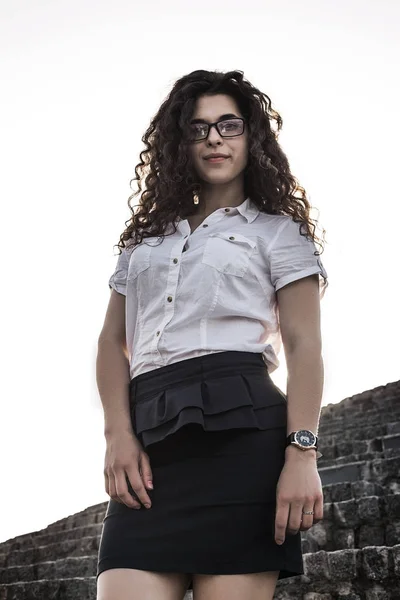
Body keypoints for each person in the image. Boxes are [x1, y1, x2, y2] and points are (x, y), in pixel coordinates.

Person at [96, 69, 328, 600]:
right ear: (181, 143)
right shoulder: (144, 242)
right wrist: (117, 434)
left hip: (244, 444)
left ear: (253, 137)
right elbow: (112, 343)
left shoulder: (279, 232)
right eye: (198, 129)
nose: (215, 138)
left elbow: (304, 346)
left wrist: (301, 454)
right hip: (149, 447)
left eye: (229, 125)